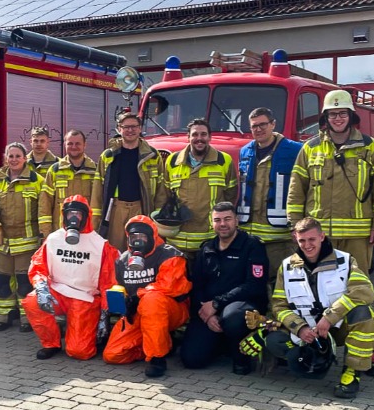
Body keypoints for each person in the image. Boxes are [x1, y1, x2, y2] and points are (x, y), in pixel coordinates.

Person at [248, 217, 374, 398]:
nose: (307, 245)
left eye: (311, 239)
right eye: (302, 240)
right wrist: (300, 328)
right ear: (295, 239)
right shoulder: (286, 267)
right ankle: (308, 358)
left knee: (363, 314)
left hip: (337, 328)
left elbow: (364, 292)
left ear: (322, 237)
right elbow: (279, 306)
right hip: (307, 331)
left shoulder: (345, 261)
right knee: (274, 341)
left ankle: (352, 372)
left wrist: (329, 318)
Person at [287, 89, 374, 277]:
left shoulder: (370, 147)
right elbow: (296, 191)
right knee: (319, 283)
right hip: (318, 235)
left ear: (350, 116)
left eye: (343, 113)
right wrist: (295, 225)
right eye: (333, 113)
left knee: (357, 283)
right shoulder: (310, 148)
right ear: (325, 117)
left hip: (358, 236)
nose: (338, 118)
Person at [22, 195, 120, 360]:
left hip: (85, 298)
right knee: (32, 301)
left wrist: (105, 314)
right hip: (58, 293)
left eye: (78, 214)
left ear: (86, 216)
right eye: (70, 214)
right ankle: (51, 343)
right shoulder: (54, 239)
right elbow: (39, 266)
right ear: (64, 216)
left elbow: (108, 282)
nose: (74, 218)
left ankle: (92, 333)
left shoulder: (99, 245)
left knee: (79, 352)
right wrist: (40, 287)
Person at [180, 202, 269, 374]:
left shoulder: (252, 246)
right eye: (217, 220)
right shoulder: (207, 248)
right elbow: (197, 284)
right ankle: (221, 344)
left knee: (232, 318)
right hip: (211, 310)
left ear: (236, 220)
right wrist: (206, 315)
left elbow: (254, 285)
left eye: (227, 219)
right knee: (191, 359)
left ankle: (241, 357)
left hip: (241, 307)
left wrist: (216, 304)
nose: (223, 224)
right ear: (212, 223)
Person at [102, 215, 191, 378]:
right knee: (113, 355)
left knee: (152, 300)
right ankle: (160, 343)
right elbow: (118, 287)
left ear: (152, 237)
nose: (138, 242)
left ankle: (157, 358)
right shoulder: (122, 261)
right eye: (133, 237)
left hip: (172, 311)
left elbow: (169, 286)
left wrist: (138, 295)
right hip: (138, 314)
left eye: (142, 237)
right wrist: (123, 302)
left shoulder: (169, 255)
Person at [0, 142, 43, 331]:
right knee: (2, 281)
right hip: (1, 244)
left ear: (25, 158)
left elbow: (44, 211)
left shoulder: (36, 181)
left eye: (17, 156)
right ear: (5, 158)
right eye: (10, 156)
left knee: (24, 283)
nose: (14, 160)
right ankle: (3, 317)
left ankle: (26, 318)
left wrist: (43, 239)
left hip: (27, 243)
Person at [237, 108, 303, 281]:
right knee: (253, 282)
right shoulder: (245, 152)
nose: (258, 129)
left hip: (280, 237)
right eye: (254, 126)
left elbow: (304, 189)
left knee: (280, 284)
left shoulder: (295, 150)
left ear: (273, 124)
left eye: (262, 124)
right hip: (250, 235)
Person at [162, 118, 237, 258]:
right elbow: (164, 196)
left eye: (203, 134)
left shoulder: (224, 161)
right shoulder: (172, 162)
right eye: (195, 135)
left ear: (210, 137)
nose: (199, 138)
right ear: (188, 137)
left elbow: (230, 196)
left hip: (211, 240)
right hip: (178, 242)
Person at [92, 113, 166, 251]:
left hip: (142, 208)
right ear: (119, 129)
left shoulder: (152, 156)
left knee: (141, 250)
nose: (130, 130)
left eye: (134, 126)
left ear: (140, 129)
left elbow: (161, 190)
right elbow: (97, 190)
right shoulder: (108, 155)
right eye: (126, 127)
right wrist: (96, 221)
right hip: (116, 210)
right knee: (115, 251)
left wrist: (158, 217)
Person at [38, 130, 97, 237]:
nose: (73, 146)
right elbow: (45, 205)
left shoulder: (95, 171)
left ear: (85, 145)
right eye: (70, 143)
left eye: (77, 143)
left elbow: (99, 205)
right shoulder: (55, 170)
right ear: (64, 145)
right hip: (60, 233)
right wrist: (46, 234)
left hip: (87, 234)